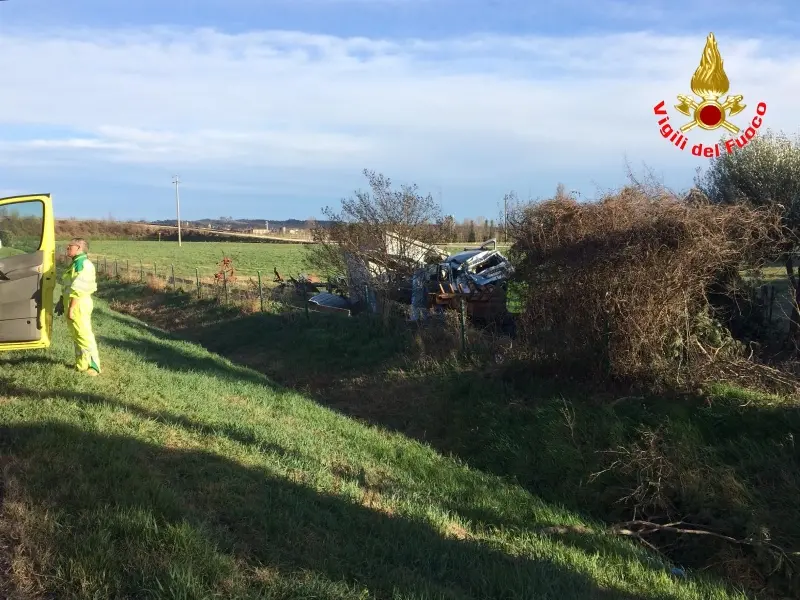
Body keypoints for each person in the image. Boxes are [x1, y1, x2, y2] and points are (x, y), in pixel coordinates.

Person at [54, 238, 101, 376]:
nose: (67, 247)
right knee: (77, 336)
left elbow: (79, 289)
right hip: (72, 303)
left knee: (84, 335)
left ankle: (94, 366)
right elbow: (68, 286)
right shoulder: (75, 264)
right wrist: (62, 301)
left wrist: (71, 308)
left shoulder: (84, 265)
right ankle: (81, 365)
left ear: (79, 248)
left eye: (70, 246)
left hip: (79, 304)